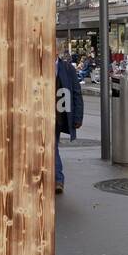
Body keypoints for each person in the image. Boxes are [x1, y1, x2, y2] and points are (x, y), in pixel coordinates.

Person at [55, 52, 84, 195]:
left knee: (51, 146)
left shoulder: (67, 68)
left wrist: (78, 117)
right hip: (41, 115)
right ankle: (56, 179)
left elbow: (76, 92)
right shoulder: (36, 65)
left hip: (59, 115)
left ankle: (58, 179)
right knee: (50, 146)